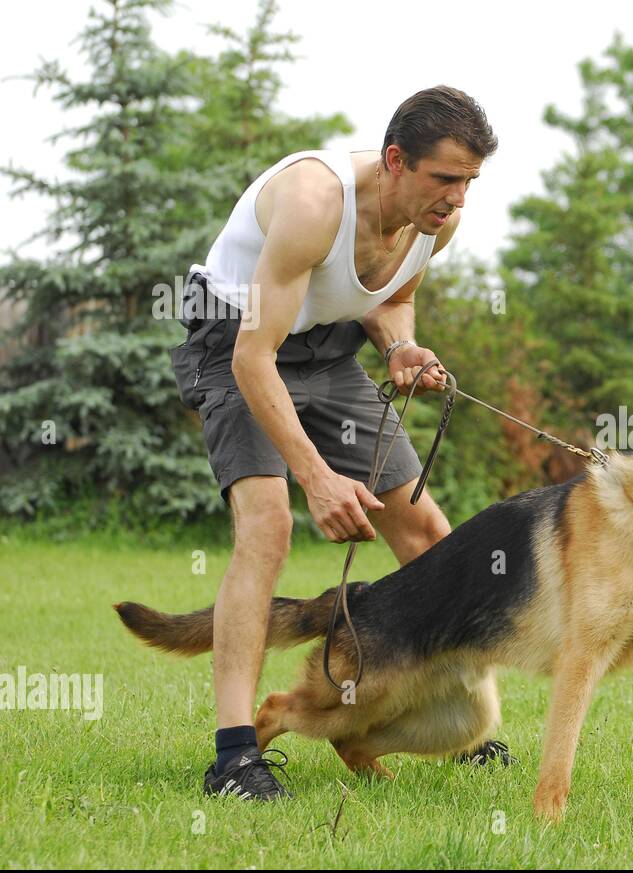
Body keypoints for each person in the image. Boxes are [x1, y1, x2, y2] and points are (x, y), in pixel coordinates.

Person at [170, 86, 498, 800]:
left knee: (427, 531)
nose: (458, 200)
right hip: (235, 340)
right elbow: (253, 358)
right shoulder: (315, 202)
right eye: (445, 179)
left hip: (328, 354)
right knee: (268, 527)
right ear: (394, 161)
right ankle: (233, 756)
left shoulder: (433, 224)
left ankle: (450, 716)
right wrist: (316, 477)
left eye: (470, 182)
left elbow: (391, 297)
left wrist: (401, 347)